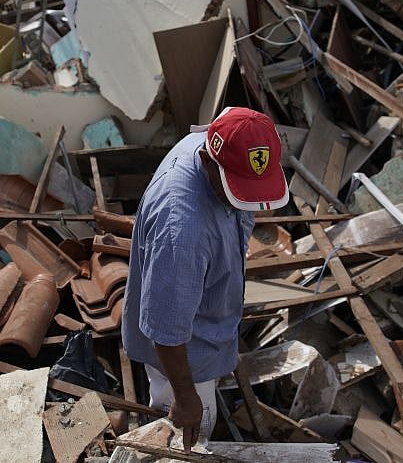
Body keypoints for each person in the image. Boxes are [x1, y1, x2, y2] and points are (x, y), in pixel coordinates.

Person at [121, 107, 289, 449]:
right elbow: (166, 332)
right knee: (185, 437)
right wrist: (185, 398)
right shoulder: (183, 231)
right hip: (183, 356)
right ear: (207, 161)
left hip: (205, 323)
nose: (246, 204)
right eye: (238, 192)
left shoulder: (223, 140)